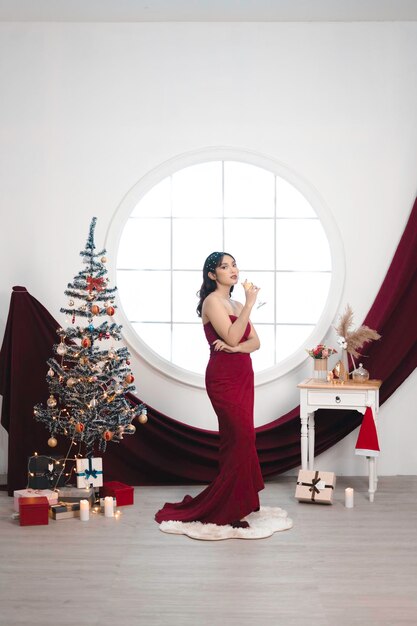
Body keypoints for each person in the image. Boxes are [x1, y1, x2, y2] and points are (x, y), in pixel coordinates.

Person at [155, 251, 264, 528]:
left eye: (234, 264)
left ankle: (240, 502)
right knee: (238, 437)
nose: (233, 270)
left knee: (243, 438)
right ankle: (228, 507)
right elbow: (230, 334)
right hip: (223, 378)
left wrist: (236, 347)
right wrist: (250, 307)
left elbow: (254, 343)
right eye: (224, 267)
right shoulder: (212, 301)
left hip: (243, 375)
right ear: (212, 275)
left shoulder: (236, 303)